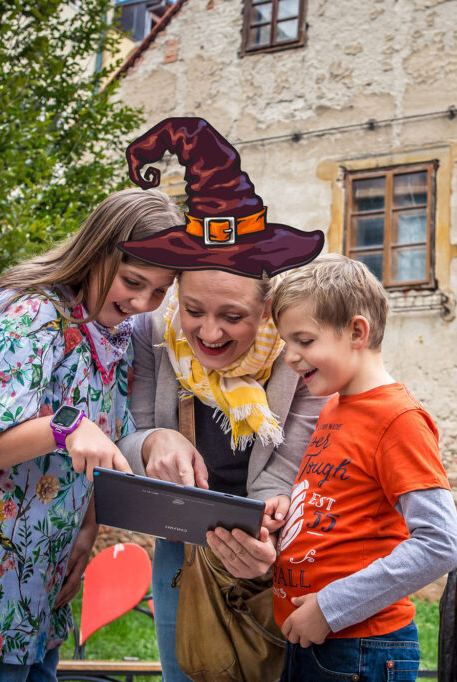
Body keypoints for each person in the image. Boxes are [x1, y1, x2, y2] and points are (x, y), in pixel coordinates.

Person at [0, 188, 182, 681]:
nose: (141, 303)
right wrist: (63, 427)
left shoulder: (112, 333)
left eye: (159, 292)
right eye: (133, 281)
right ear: (97, 251)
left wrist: (87, 528)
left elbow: (103, 441)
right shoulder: (33, 317)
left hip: (43, 573)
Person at [114, 117, 327, 682]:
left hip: (275, 544)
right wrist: (154, 441)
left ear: (267, 309)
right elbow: (127, 436)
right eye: (193, 311)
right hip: (180, 545)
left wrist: (264, 530)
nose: (208, 333)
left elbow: (288, 465)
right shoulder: (152, 333)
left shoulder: (300, 352)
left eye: (232, 316)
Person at [209, 254, 457, 682]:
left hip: (361, 648)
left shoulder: (398, 419)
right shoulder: (332, 407)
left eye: (304, 341)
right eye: (286, 342)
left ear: (357, 332)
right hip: (314, 640)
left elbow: (441, 544)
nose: (290, 357)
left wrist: (330, 608)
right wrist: (286, 507)